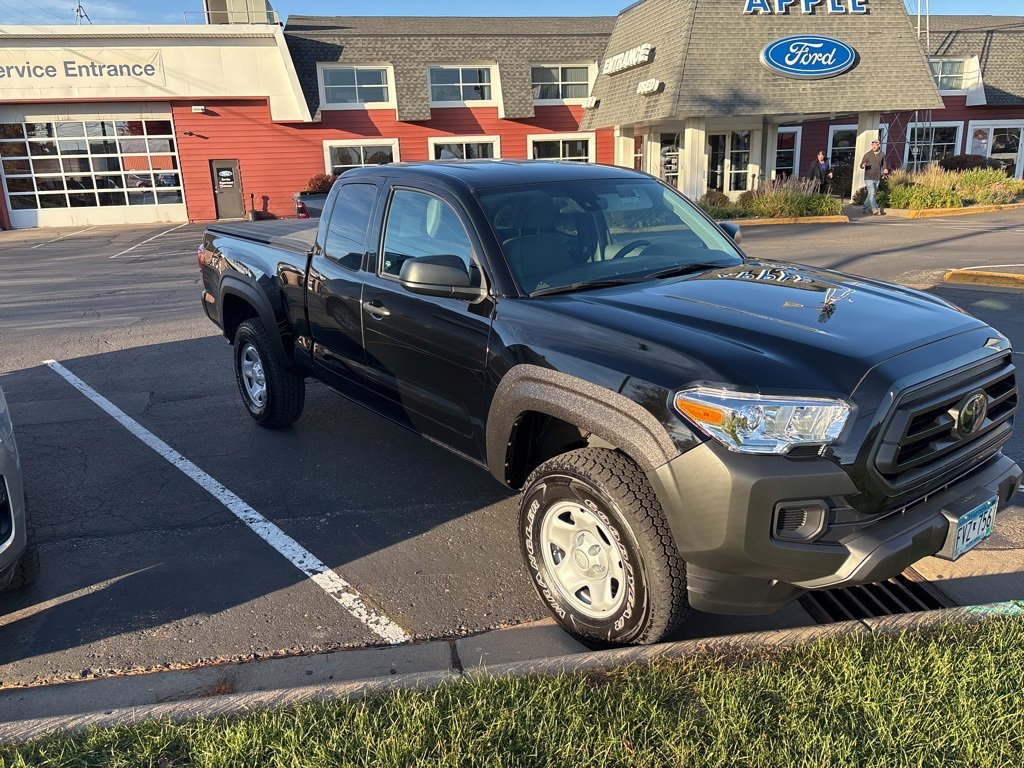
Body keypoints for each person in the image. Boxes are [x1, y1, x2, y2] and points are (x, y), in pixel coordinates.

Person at [859, 138, 889, 216]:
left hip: (877, 177)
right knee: (872, 192)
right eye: (872, 145)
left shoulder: (882, 154)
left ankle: (865, 208)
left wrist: (885, 169)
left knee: (870, 194)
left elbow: (884, 164)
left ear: (879, 145)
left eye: (875, 145)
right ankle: (875, 209)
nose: (874, 147)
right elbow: (861, 165)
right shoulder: (867, 154)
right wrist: (863, 165)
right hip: (868, 177)